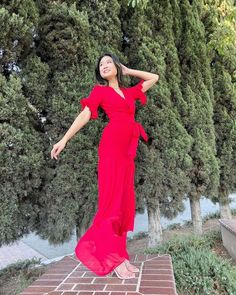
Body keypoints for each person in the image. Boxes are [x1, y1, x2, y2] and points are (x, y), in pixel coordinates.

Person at [50, 52, 159, 280]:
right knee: (110, 202)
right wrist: (64, 139)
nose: (105, 65)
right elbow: (85, 114)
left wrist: (128, 71)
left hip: (127, 153)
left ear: (117, 66)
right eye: (101, 64)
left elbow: (153, 77)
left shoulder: (129, 93)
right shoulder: (100, 92)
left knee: (123, 202)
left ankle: (120, 254)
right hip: (111, 149)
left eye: (109, 62)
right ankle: (113, 259)